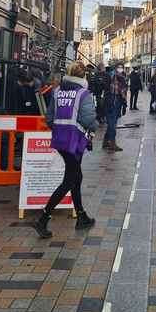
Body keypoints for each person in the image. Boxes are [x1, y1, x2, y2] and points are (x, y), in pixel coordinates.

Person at [34, 62, 98, 239]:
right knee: (69, 180)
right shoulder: (83, 94)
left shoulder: (57, 92)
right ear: (83, 76)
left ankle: (81, 215)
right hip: (75, 140)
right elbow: (89, 119)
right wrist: (93, 129)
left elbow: (49, 117)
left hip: (60, 139)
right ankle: (43, 218)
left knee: (76, 176)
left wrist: (58, 128)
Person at [103, 65, 127, 152]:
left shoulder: (121, 78)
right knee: (112, 123)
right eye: (119, 67)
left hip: (116, 102)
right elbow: (122, 92)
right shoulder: (112, 77)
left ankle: (106, 141)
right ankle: (112, 143)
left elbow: (123, 93)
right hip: (112, 102)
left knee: (112, 123)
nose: (120, 69)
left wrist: (124, 104)